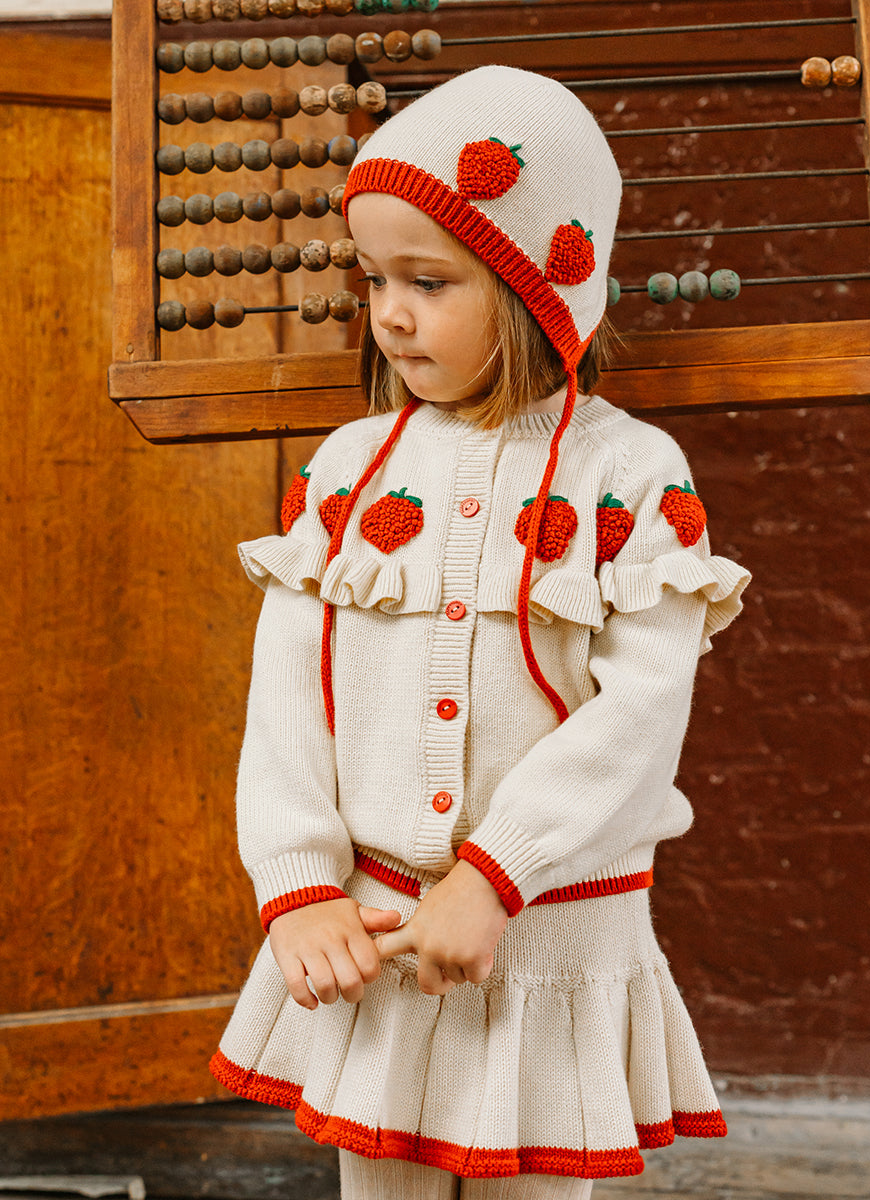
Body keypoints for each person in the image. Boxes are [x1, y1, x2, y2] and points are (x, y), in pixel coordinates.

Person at [211, 64, 751, 1200]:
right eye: (373, 278)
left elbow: (642, 716)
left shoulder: (631, 475)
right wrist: (298, 883)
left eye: (429, 280)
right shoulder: (349, 471)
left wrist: (497, 878)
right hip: (373, 936)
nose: (390, 313)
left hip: (552, 939)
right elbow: (288, 697)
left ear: (537, 288)